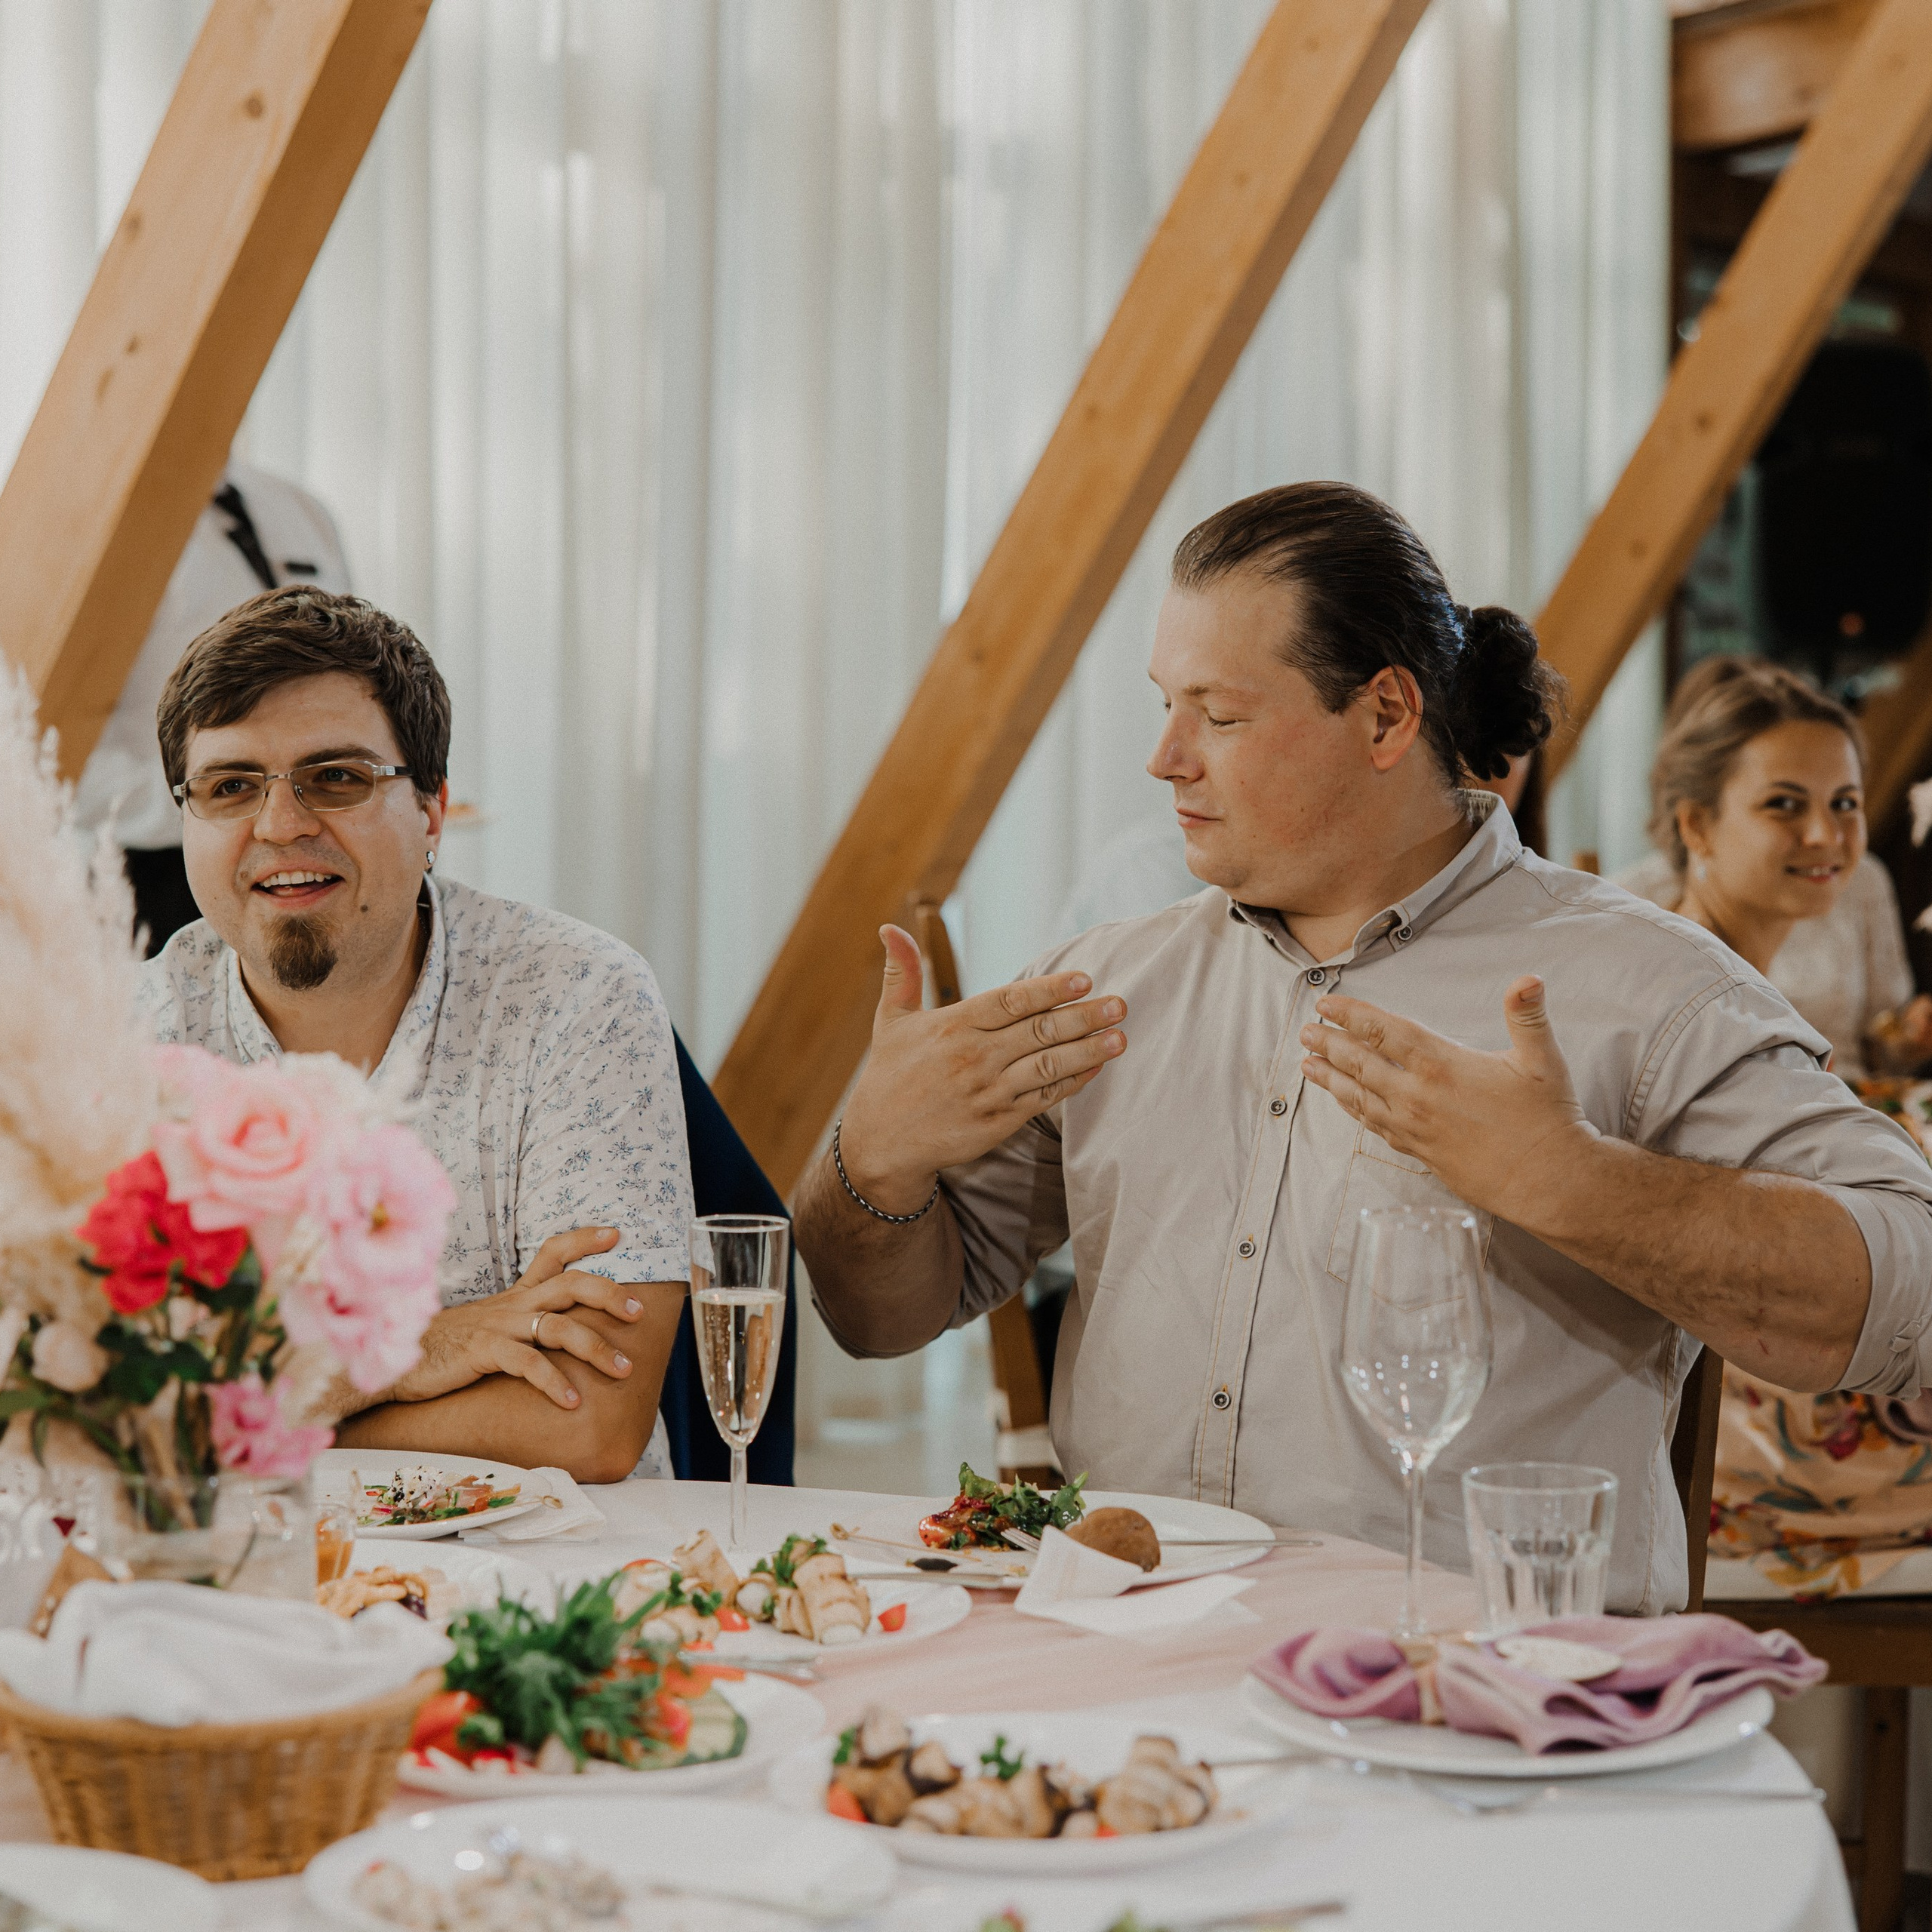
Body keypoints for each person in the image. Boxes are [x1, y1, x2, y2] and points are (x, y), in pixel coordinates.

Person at [795, 481, 1932, 1614]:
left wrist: (1579, 1187)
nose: (1166, 757)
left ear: (1388, 716)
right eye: (1165, 705)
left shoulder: (1651, 987)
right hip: (1137, 1677)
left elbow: (1910, 1293)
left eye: (1219, 715)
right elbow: (875, 1316)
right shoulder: (1108, 987)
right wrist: (873, 1163)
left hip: (1480, 1702)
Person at [135, 588, 692, 1484]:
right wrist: (420, 1349)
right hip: (245, 1590)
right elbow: (122, 1417)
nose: (281, 826)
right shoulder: (138, 1037)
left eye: (337, 778)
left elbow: (590, 1423)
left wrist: (259, 1429)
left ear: (432, 810)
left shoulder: (578, 995)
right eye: (232, 786)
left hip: (558, 1592)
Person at [72, 461, 352, 955]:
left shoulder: (299, 509)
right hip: (156, 869)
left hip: (308, 841)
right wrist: (214, 803)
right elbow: (39, 749)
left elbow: (353, 667)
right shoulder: (83, 519)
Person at [1611, 655, 1932, 1083]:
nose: (1825, 835)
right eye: (1782, 804)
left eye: (1844, 803)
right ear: (1696, 825)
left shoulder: (1745, 990)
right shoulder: (1667, 982)